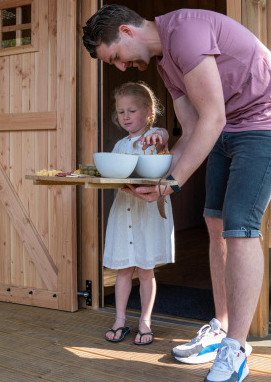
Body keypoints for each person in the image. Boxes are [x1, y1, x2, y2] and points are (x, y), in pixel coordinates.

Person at [83, 5, 271, 382]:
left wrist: (171, 183)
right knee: (214, 221)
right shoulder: (165, 63)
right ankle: (220, 327)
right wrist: (163, 182)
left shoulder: (185, 32)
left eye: (116, 57)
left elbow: (212, 116)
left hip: (267, 121)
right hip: (229, 127)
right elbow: (190, 129)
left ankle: (236, 350)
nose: (120, 67)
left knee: (240, 229)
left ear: (127, 31)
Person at [102, 81, 175, 346]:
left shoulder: (155, 137)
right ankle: (120, 320)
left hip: (147, 213)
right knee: (123, 269)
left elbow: (164, 136)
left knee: (145, 270)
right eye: (121, 112)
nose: (125, 116)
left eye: (131, 110)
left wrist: (158, 136)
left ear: (148, 110)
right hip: (124, 211)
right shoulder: (120, 145)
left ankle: (145, 322)